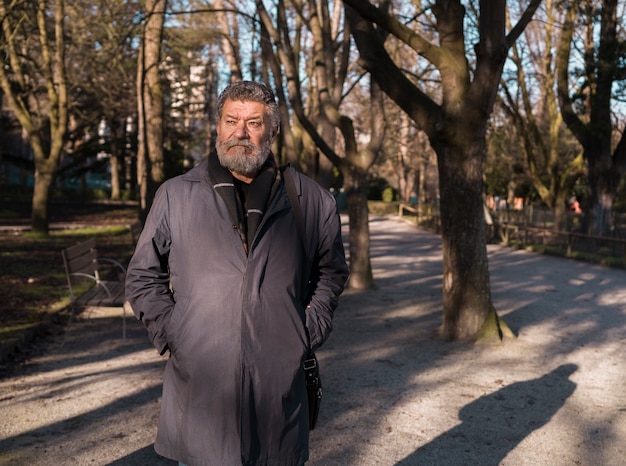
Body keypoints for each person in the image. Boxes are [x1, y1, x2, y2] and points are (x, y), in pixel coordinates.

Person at [125, 80, 349, 466]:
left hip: (277, 389)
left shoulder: (312, 200)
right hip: (201, 390)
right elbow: (142, 275)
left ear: (273, 130)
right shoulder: (176, 195)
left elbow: (331, 272)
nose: (240, 133)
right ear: (217, 126)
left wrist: (307, 329)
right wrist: (174, 332)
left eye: (254, 123)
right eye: (232, 120)